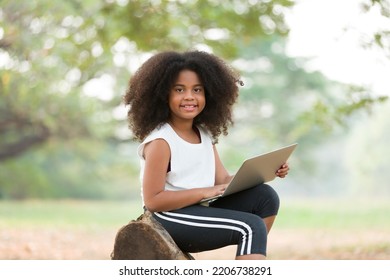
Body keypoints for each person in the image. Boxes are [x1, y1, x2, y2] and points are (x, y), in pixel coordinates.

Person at [123, 50, 290, 260]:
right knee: (251, 226)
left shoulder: (204, 134)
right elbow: (154, 201)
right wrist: (205, 192)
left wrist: (265, 170)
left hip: (199, 209)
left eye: (197, 90)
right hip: (169, 217)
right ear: (164, 95)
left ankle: (249, 254)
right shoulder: (161, 141)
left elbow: (222, 181)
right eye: (179, 90)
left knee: (265, 196)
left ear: (208, 94)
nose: (189, 96)